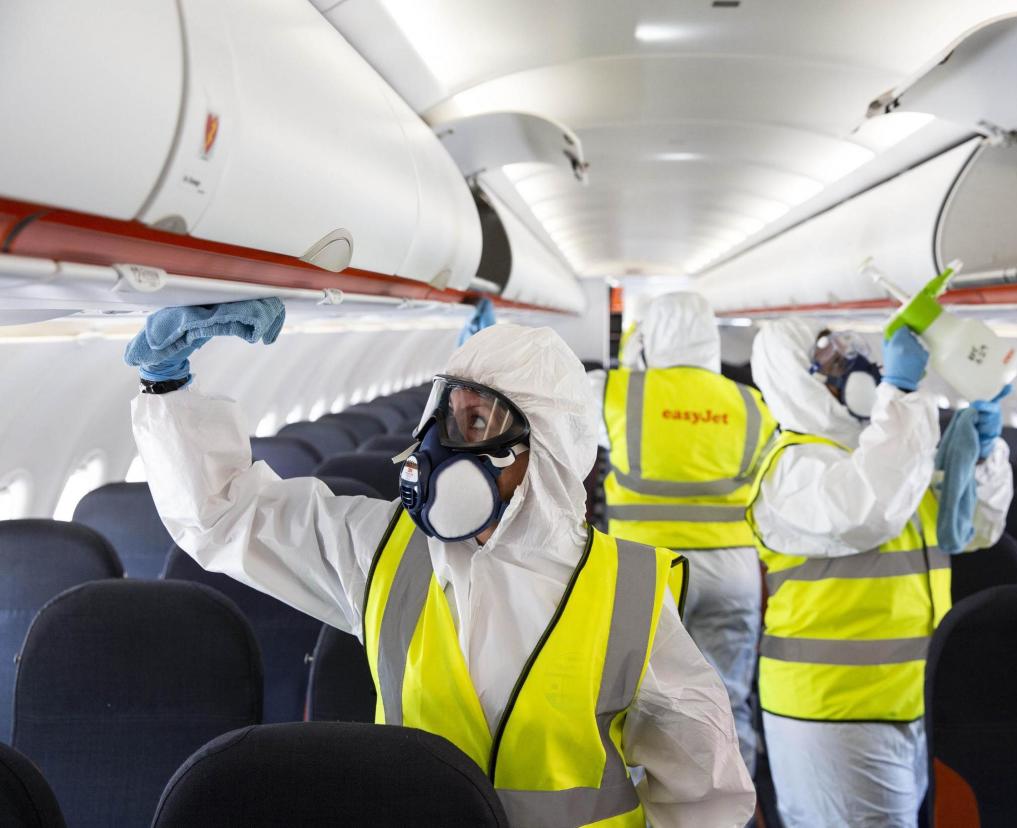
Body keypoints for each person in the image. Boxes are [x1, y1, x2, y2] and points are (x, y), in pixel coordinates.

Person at [127, 302, 755, 828]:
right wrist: (168, 388)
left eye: (476, 421)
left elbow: (707, 794)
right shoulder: (383, 552)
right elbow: (230, 517)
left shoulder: (627, 593)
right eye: (445, 417)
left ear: (543, 451)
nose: (436, 449)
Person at [746, 318, 1014, 828]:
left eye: (852, 352)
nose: (857, 366)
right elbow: (870, 511)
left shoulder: (891, 456)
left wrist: (982, 457)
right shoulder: (793, 466)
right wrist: (904, 397)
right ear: (795, 376)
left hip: (908, 698)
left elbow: (978, 528)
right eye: (831, 359)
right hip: (830, 709)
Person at [591, 291, 776, 775]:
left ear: (651, 337)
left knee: (637, 709)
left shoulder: (617, 391)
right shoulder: (753, 404)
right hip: (732, 579)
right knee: (728, 707)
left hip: (646, 578)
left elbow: (548, 416)